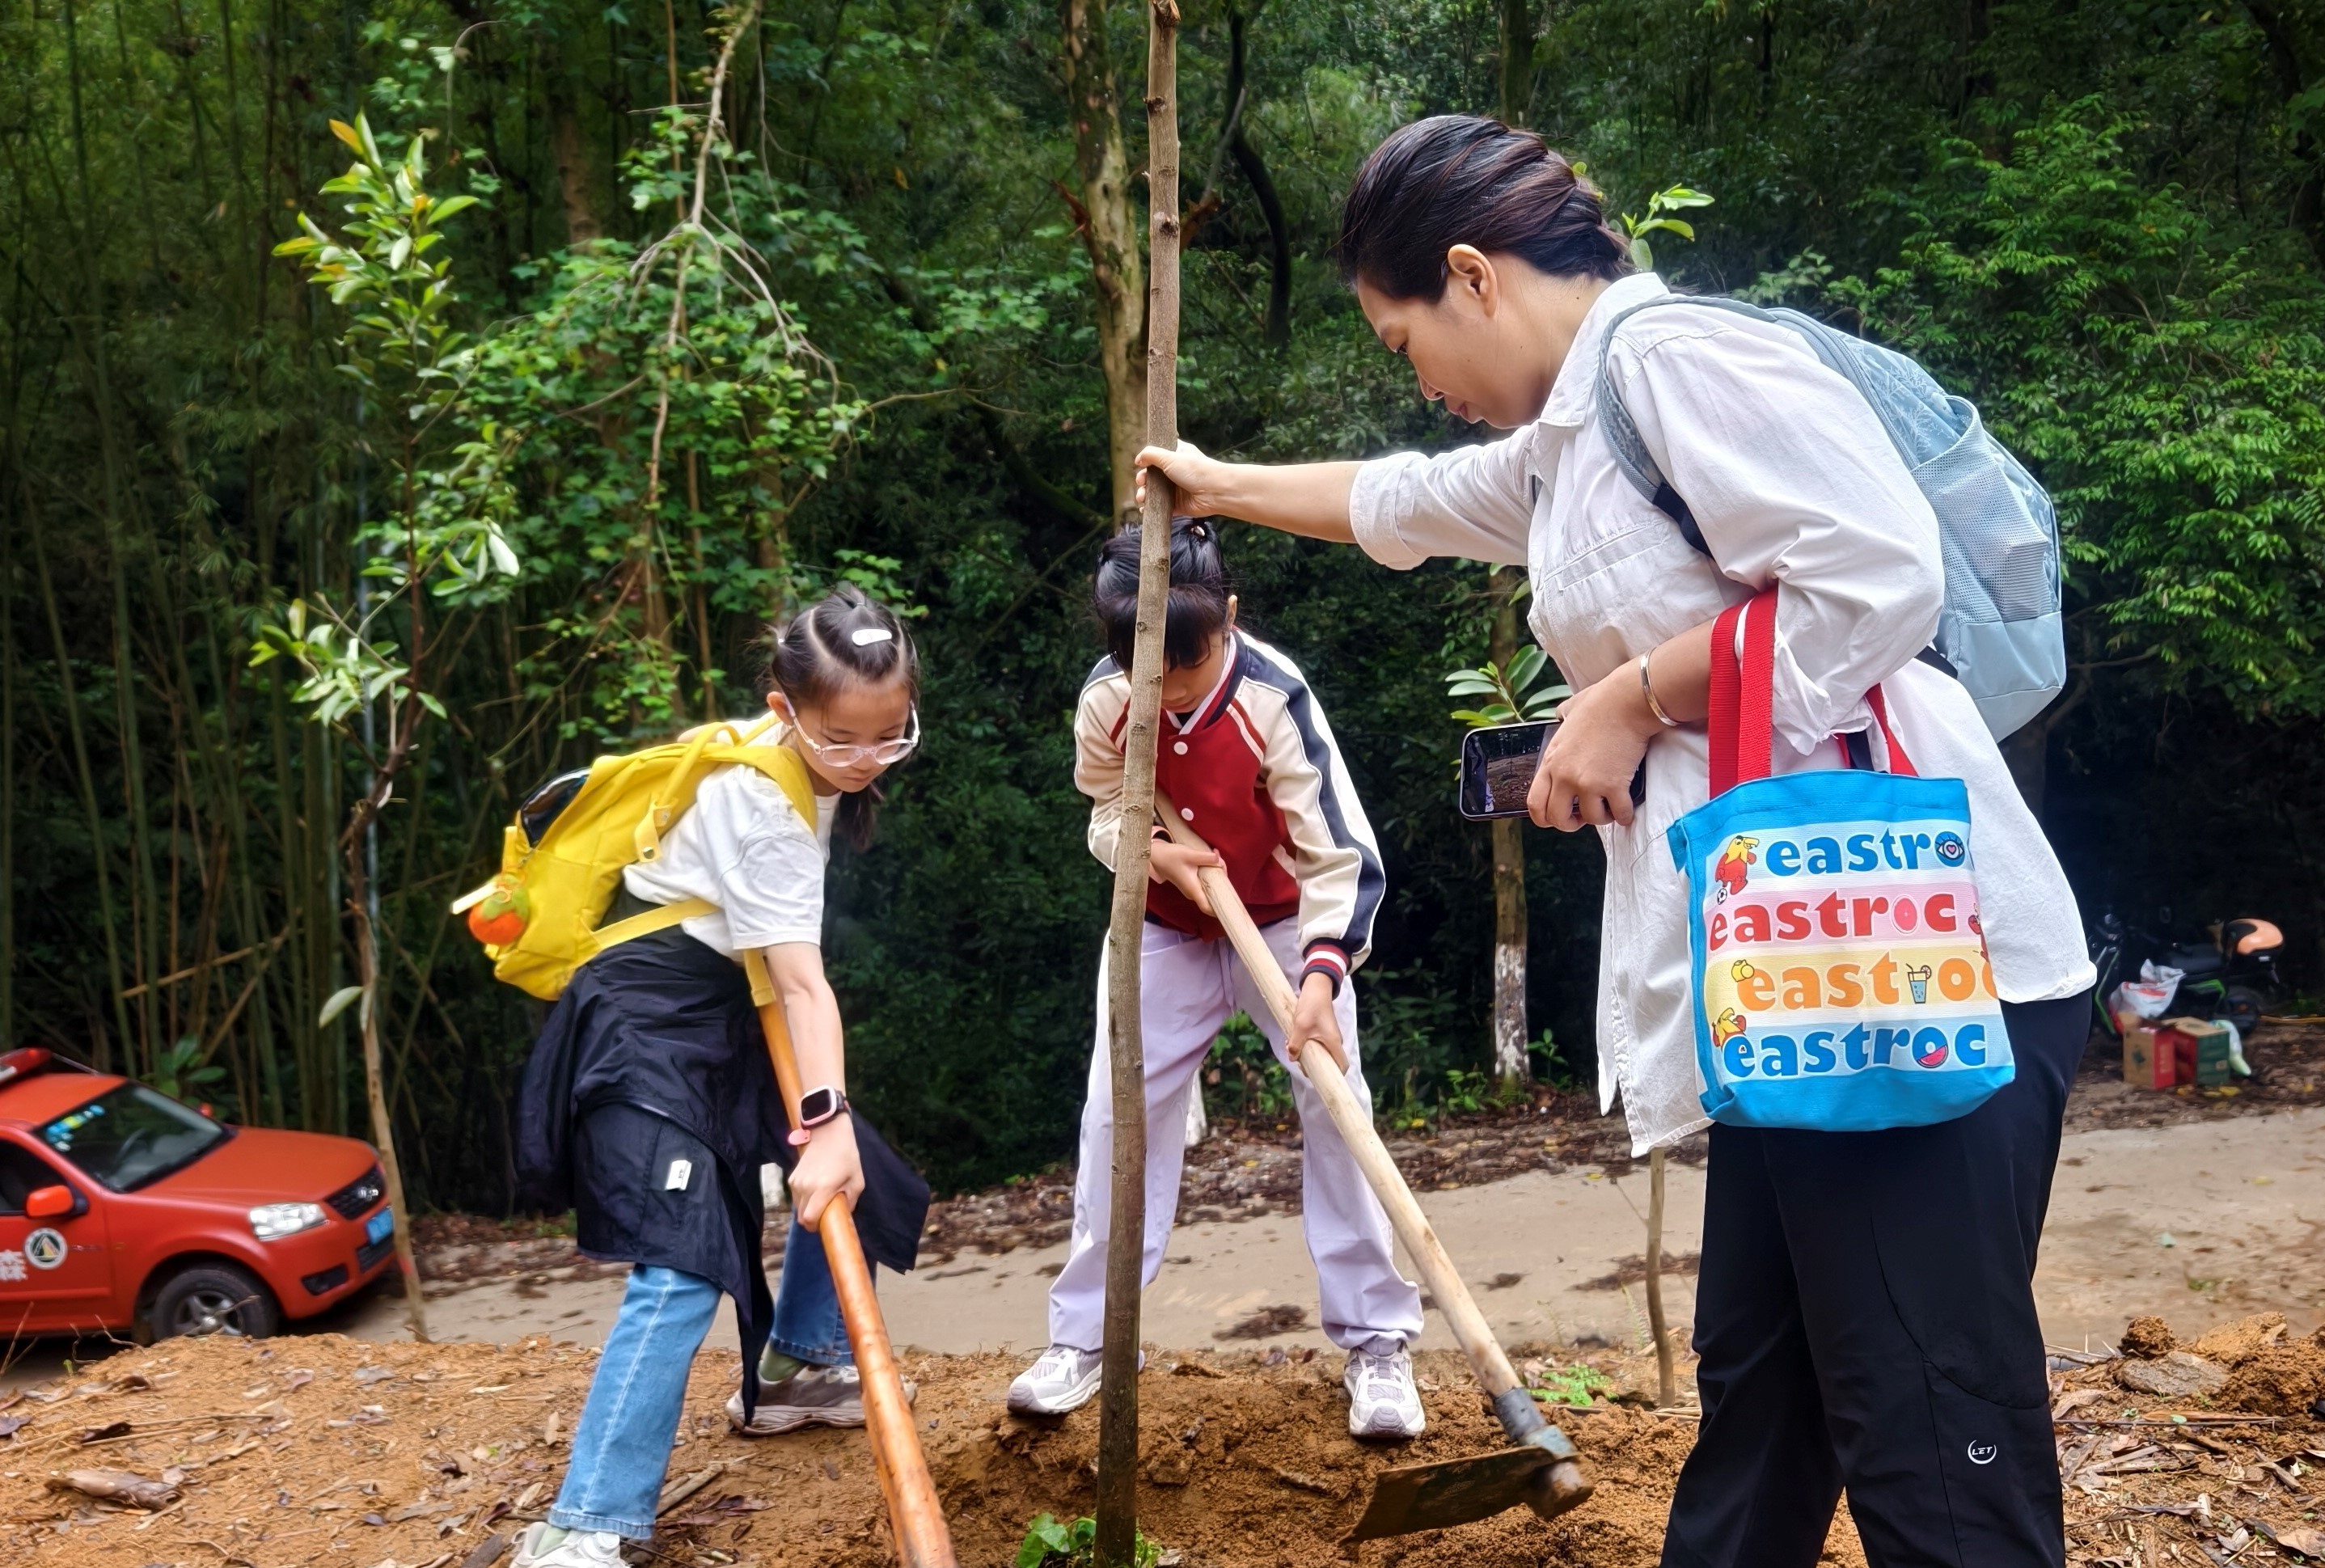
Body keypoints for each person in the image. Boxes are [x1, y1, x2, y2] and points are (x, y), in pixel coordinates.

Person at [1135, 116, 2096, 1568]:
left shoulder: (1674, 364)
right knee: (1761, 1406)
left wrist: (1628, 697)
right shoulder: (1567, 449)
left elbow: (1877, 568)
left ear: (1471, 276)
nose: (1421, 381)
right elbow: (1392, 499)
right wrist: (1208, 483)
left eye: (1403, 341)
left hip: (1917, 980)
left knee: (1929, 1425)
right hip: (1794, 995)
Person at [511, 585, 932, 1568]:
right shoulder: (761, 801)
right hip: (645, 1014)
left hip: (726, 1002)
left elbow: (780, 982)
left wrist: (832, 1135)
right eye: (843, 739)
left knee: (861, 1176)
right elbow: (803, 982)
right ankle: (584, 1524)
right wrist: (819, 1118)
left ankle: (792, 1369)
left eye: (890, 734)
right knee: (684, 1254)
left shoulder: (801, 760)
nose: (866, 761)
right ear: (784, 711)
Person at [1007, 520, 1427, 1439]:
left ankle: (1378, 1344)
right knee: (1116, 1115)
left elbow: (1339, 856)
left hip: (1281, 925)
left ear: (1228, 617)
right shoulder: (1108, 702)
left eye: (1191, 663)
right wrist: (1152, 854)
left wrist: (1321, 978)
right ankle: (1088, 1339)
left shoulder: (1272, 699)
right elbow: (1102, 814)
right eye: (1156, 667)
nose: (1175, 685)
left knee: (1334, 1108)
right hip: (1163, 929)